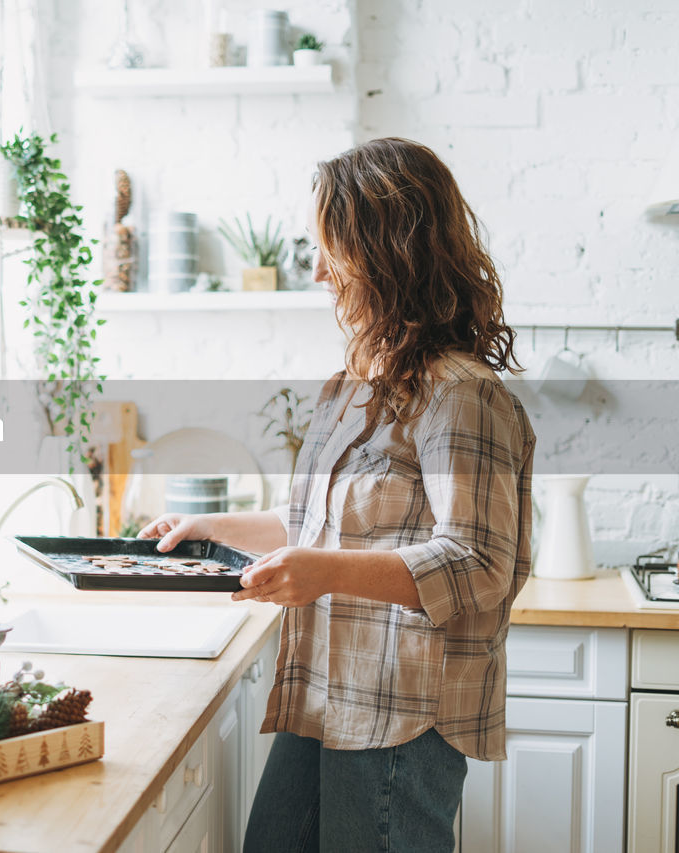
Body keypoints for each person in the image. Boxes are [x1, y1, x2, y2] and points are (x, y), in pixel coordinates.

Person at [140, 138, 535, 853]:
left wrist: (321, 572)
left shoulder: (461, 395)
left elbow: (478, 562)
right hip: (327, 690)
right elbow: (316, 525)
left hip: (402, 715)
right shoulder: (357, 383)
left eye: (331, 249)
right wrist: (206, 525)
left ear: (388, 252)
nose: (318, 271)